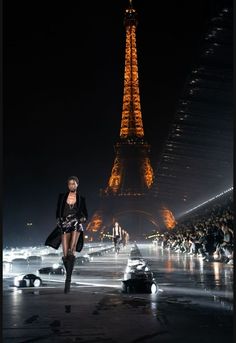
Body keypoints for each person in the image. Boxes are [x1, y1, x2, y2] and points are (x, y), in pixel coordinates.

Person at [45, 176, 88, 293]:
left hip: (75, 224)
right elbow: (58, 210)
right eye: (70, 184)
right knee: (65, 254)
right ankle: (69, 274)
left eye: (74, 184)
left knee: (71, 250)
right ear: (68, 185)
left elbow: (86, 215)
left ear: (77, 185)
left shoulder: (81, 199)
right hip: (64, 224)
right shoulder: (62, 197)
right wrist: (58, 220)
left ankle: (67, 280)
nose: (71, 186)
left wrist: (80, 219)